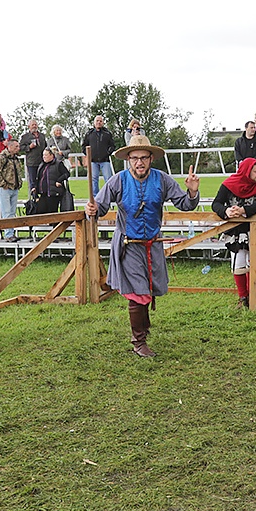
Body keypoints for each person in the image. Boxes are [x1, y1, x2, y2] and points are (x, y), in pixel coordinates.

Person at [85, 135, 200, 357]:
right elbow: (99, 206)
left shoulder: (163, 180)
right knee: (138, 293)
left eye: (144, 158)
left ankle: (143, 330)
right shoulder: (117, 181)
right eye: (135, 158)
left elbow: (185, 204)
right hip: (128, 245)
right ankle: (139, 342)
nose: (139, 163)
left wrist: (192, 191)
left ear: (151, 159)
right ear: (128, 159)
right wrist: (92, 210)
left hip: (153, 244)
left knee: (147, 290)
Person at [212, 158, 256, 308]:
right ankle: (243, 297)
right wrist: (226, 211)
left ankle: (254, 295)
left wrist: (244, 210)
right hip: (235, 231)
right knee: (238, 263)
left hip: (254, 229)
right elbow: (216, 204)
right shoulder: (228, 185)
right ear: (247, 171)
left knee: (254, 263)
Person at [0, 138, 23, 242]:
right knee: (7, 212)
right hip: (5, 188)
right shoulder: (2, 157)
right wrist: (2, 184)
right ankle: (8, 234)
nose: (18, 148)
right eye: (16, 147)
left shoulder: (15, 158)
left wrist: (19, 183)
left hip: (14, 187)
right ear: (9, 147)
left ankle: (11, 232)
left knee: (12, 212)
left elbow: (18, 171)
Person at [83, 114, 117, 197]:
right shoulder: (89, 134)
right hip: (93, 161)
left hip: (105, 160)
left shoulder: (107, 133)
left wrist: (107, 153)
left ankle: (109, 196)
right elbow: (84, 146)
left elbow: (112, 146)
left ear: (103, 123)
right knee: (93, 180)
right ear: (94, 123)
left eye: (100, 121)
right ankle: (96, 198)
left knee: (108, 179)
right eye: (97, 121)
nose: (99, 122)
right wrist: (88, 154)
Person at [33, 148, 70, 214]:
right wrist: (35, 189)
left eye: (46, 155)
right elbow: (38, 178)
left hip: (54, 193)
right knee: (40, 211)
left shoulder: (58, 164)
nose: (44, 157)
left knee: (52, 212)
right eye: (43, 155)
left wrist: (59, 181)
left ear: (51, 155)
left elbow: (66, 173)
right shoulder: (41, 165)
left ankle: (54, 224)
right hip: (43, 193)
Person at [20, 119, 47, 193]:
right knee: (33, 181)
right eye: (32, 125)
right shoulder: (25, 137)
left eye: (35, 124)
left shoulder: (42, 136)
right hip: (31, 162)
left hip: (42, 161)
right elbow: (20, 147)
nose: (34, 126)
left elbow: (46, 146)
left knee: (42, 180)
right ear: (29, 126)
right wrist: (29, 147)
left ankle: (42, 196)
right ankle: (34, 198)